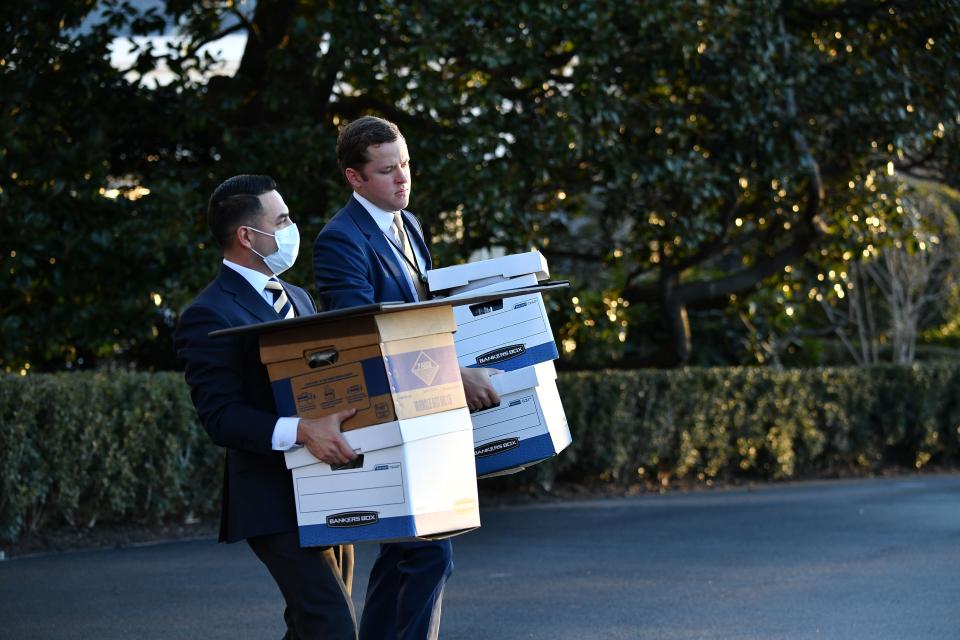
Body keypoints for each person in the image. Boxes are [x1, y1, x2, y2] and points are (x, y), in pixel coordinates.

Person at [313, 116, 500, 640]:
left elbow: (424, 313)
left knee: (403, 560)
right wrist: (452, 373)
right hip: (385, 417)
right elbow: (362, 338)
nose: (403, 179)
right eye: (388, 170)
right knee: (428, 555)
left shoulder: (409, 224)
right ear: (355, 178)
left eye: (407, 165)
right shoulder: (339, 240)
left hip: (427, 415)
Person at [174, 174, 360, 640]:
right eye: (283, 220)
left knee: (309, 626)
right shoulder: (208, 314)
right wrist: (303, 431)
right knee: (332, 624)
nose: (292, 228)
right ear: (247, 236)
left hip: (329, 486)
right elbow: (221, 418)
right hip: (272, 499)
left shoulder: (298, 297)